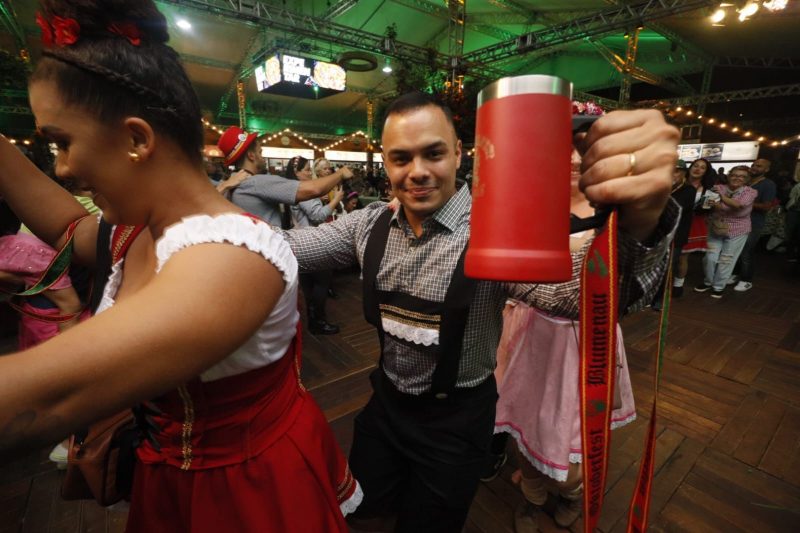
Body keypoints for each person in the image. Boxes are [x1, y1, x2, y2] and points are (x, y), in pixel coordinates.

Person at [0, 1, 360, 531]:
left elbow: (55, 396)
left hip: (243, 491)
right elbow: (70, 229)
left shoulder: (230, 260)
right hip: (174, 473)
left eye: (62, 142)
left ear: (136, 138)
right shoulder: (141, 230)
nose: (62, 167)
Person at [279, 91, 680, 532]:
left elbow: (574, 299)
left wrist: (642, 220)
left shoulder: (495, 230)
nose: (417, 172)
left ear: (457, 153)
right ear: (386, 163)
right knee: (364, 507)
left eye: (433, 153)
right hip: (387, 406)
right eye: (400, 158)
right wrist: (213, 224)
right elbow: (286, 249)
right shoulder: (369, 223)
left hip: (457, 420)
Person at [492, 145, 639, 532]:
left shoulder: (621, 219)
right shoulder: (532, 211)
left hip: (589, 343)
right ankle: (532, 498)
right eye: (564, 150)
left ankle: (571, 494)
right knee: (522, 430)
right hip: (532, 334)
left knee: (574, 448)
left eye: (585, 151)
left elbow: (629, 285)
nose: (574, 159)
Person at [215, 126, 353, 227]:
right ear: (251, 156)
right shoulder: (257, 182)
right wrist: (340, 173)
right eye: (260, 152)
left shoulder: (228, 185)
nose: (263, 157)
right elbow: (313, 190)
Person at [287, 155, 343, 334]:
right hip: (311, 240)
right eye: (306, 170)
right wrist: (337, 199)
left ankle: (312, 320)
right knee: (322, 281)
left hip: (298, 239)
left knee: (308, 283)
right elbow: (318, 216)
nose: (309, 173)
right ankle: (318, 320)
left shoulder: (289, 189)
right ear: (296, 173)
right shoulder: (304, 190)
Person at [694, 166, 757, 298]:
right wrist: (709, 200)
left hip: (738, 230)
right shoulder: (718, 187)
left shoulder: (750, 192)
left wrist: (720, 198)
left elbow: (738, 205)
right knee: (709, 257)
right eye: (734, 175)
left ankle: (718, 287)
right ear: (728, 176)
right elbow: (707, 204)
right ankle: (708, 282)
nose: (737, 178)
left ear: (746, 179)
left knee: (726, 259)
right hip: (715, 227)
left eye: (742, 176)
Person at [673, 158, 717, 296]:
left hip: (692, 224)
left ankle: (678, 286)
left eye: (702, 167)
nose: (698, 169)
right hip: (672, 222)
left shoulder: (708, 191)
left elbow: (706, 210)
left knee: (682, 257)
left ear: (706, 172)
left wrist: (711, 204)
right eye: (695, 165)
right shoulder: (676, 182)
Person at [733, 158, 776, 292]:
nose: (754, 167)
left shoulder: (768, 184)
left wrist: (745, 204)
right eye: (753, 165)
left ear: (766, 170)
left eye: (759, 166)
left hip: (754, 223)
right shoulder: (746, 182)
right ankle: (735, 274)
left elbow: (767, 206)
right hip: (737, 221)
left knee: (747, 251)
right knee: (736, 249)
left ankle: (746, 280)